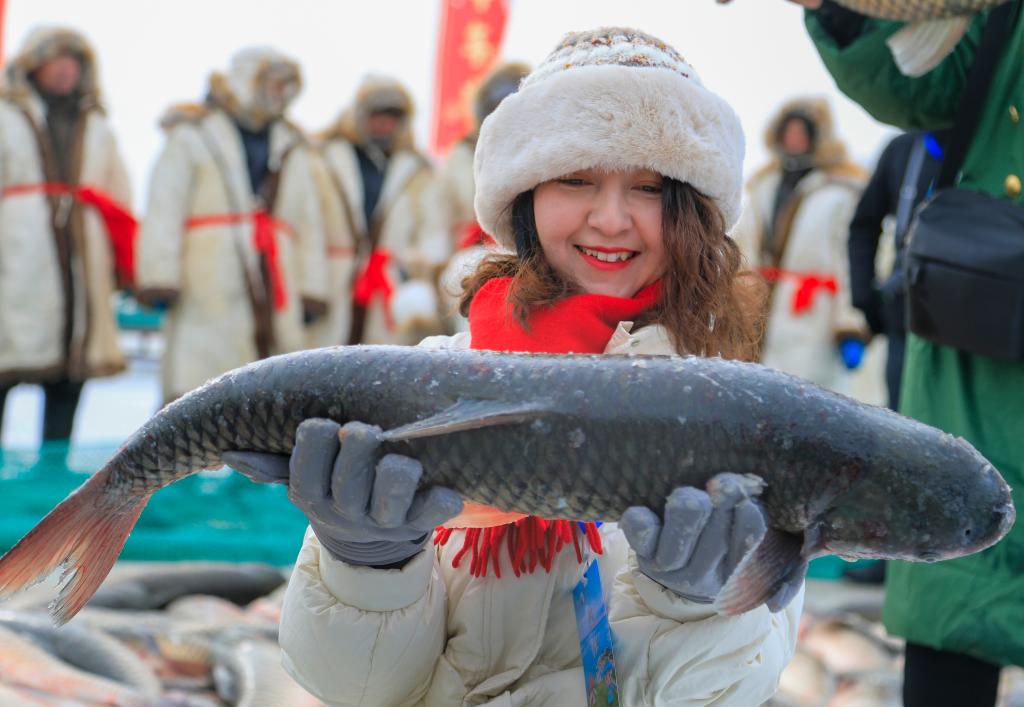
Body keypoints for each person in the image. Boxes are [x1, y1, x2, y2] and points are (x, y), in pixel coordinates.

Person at [224, 28, 803, 706]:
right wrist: (366, 567)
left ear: (694, 213)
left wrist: (695, 606)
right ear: (524, 196)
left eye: (649, 188)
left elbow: (730, 692)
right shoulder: (423, 386)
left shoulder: (740, 423)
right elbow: (356, 688)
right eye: (576, 179)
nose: (610, 219)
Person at [798, 2, 1024, 706]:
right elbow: (921, 83)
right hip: (977, 324)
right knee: (955, 582)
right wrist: (838, 10)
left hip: (968, 310)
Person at [137, 47, 327, 403]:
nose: (279, 94)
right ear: (246, 82)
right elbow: (164, 205)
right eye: (271, 84)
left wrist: (311, 288)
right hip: (205, 273)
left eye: (285, 86)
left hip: (275, 271)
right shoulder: (193, 133)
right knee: (200, 379)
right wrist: (160, 275)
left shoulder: (293, 144)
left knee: (269, 387)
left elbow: (308, 222)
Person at [0, 27, 132, 441]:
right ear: (33, 66)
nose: (65, 69)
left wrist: (123, 264)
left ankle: (56, 476)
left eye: (73, 61)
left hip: (82, 263)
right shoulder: (5, 117)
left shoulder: (97, 124)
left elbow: (118, 192)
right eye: (56, 59)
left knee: (70, 375)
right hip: (18, 257)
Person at [734, 97, 880, 403]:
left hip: (812, 314)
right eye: (789, 132)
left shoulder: (840, 192)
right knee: (756, 395)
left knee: (807, 399)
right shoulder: (763, 186)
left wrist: (850, 325)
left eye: (801, 132)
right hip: (760, 307)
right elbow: (742, 244)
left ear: (816, 137)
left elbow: (847, 260)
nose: (794, 139)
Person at [317, 75, 449, 346]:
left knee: (379, 359)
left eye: (393, 117)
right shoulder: (325, 157)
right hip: (334, 276)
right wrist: (311, 285)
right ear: (360, 116)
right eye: (377, 115)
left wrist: (417, 271)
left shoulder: (417, 170)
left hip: (389, 280)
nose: (384, 124)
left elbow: (432, 230)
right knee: (324, 357)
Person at [847, 130, 945, 411]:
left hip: (971, 318)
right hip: (905, 312)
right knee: (903, 417)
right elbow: (864, 223)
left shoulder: (985, 145)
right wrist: (864, 296)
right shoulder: (904, 149)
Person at [437, 63, 530, 332]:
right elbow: (441, 217)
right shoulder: (460, 157)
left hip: (528, 252)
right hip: (470, 252)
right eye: (497, 106)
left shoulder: (538, 154)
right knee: (465, 272)